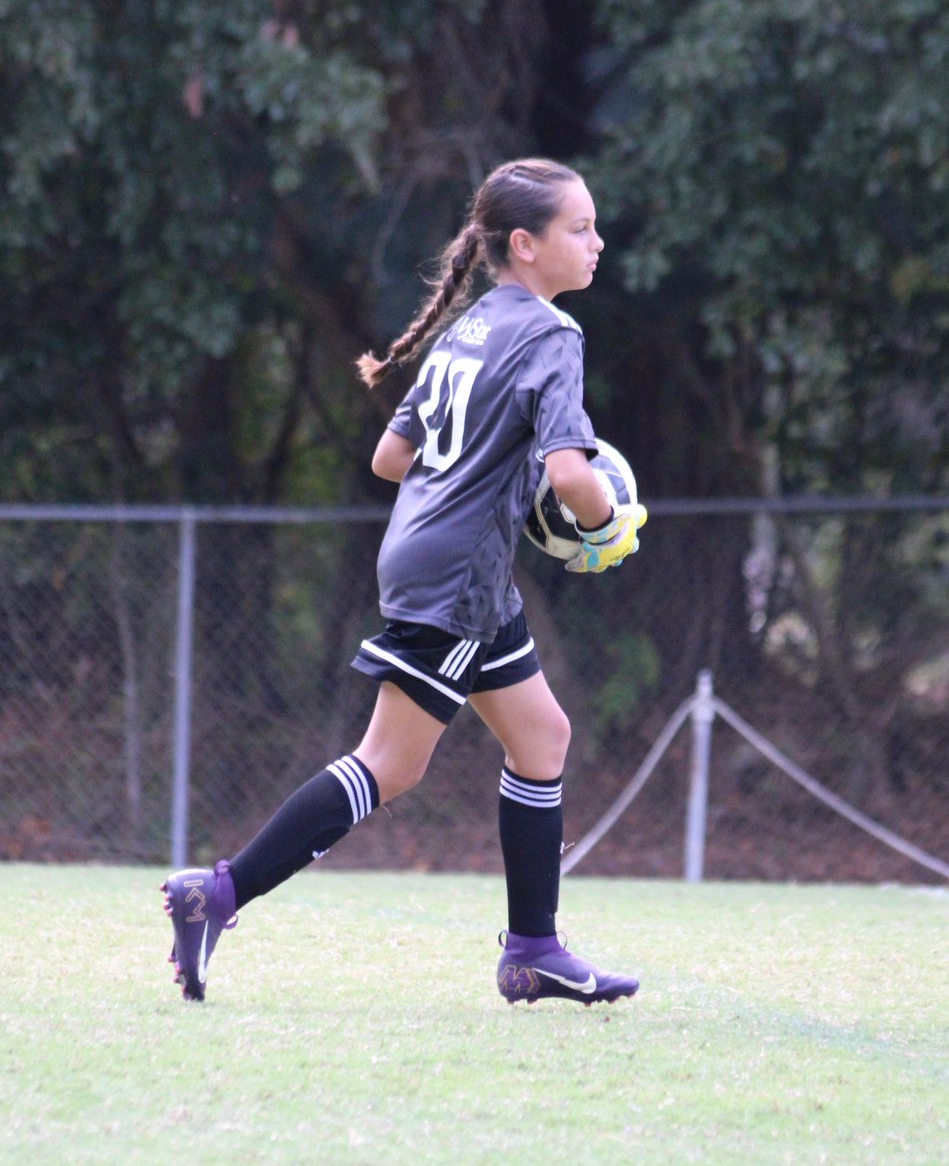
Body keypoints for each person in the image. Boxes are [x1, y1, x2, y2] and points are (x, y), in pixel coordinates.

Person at [161, 158, 647, 1006]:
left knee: (541, 736)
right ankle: (218, 893)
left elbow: (391, 459)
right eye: (581, 229)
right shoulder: (550, 335)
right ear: (525, 246)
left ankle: (533, 951)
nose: (597, 243)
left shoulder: (466, 330)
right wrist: (604, 525)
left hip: (446, 564)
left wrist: (485, 477)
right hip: (457, 575)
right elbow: (573, 475)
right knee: (388, 764)